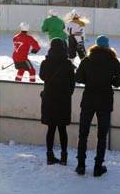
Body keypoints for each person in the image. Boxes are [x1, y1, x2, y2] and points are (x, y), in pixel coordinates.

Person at [75, 35, 120, 177]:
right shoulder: (113, 61)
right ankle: (98, 167)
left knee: (83, 134)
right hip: (105, 101)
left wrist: (89, 80)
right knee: (102, 136)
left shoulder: (87, 60)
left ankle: (81, 166)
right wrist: (111, 81)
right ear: (107, 46)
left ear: (95, 45)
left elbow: (78, 78)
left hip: (88, 101)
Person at [39, 38, 75, 166]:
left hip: (49, 98)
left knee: (51, 129)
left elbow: (42, 76)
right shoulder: (68, 64)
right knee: (62, 129)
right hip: (63, 100)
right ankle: (64, 157)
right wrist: (67, 94)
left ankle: (49, 156)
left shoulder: (45, 62)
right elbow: (72, 82)